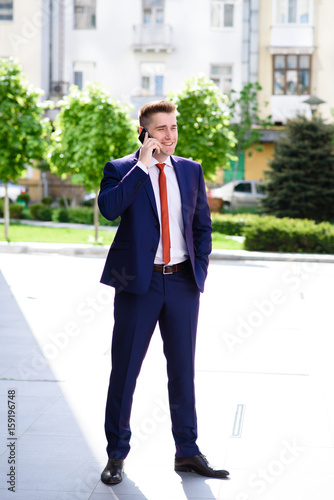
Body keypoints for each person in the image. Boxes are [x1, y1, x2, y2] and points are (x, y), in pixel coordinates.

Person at [98, 100, 229, 484]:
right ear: (144, 133)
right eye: (161, 129)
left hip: (183, 283)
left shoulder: (190, 171)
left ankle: (187, 452)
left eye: (173, 127)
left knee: (183, 371)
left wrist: (198, 270)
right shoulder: (121, 170)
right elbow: (109, 208)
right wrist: (142, 166)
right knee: (125, 372)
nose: (169, 135)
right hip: (140, 284)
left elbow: (202, 225)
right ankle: (116, 455)